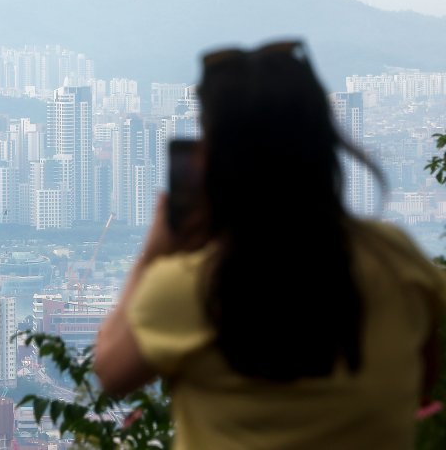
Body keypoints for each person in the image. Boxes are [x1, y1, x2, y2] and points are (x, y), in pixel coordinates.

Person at [94, 40, 446, 450]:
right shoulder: (396, 261)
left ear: (216, 161)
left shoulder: (191, 287)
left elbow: (111, 370)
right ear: (324, 144)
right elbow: (423, 374)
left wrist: (156, 250)